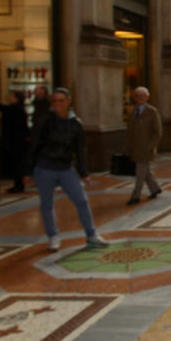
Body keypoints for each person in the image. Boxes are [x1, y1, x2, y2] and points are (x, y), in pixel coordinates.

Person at [28, 87, 109, 252]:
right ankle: (53, 236)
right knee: (47, 204)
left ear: (68, 102)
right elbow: (35, 146)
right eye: (55, 100)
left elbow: (80, 150)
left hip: (66, 168)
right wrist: (28, 170)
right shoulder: (46, 121)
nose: (57, 104)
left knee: (81, 201)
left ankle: (91, 235)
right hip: (44, 168)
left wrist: (84, 172)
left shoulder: (76, 124)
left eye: (61, 100)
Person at [125, 86, 163, 205]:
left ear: (147, 97)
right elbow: (130, 131)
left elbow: (158, 132)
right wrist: (127, 147)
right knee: (145, 172)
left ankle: (135, 196)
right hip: (135, 149)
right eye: (137, 96)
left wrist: (151, 146)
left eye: (142, 96)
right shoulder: (132, 112)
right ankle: (155, 188)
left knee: (140, 174)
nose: (139, 98)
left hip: (146, 149)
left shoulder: (152, 112)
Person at [0, 90, 29, 193]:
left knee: (16, 163)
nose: (9, 97)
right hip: (18, 140)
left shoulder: (14, 109)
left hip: (14, 140)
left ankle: (18, 185)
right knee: (17, 163)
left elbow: (0, 107)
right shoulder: (20, 109)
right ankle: (18, 184)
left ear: (16, 98)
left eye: (11, 96)